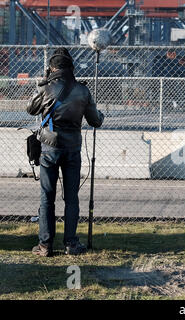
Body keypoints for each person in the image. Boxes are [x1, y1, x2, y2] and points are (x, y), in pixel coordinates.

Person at [26, 48, 104, 257]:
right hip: (72, 149)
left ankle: (45, 245)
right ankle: (71, 244)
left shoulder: (45, 88)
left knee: (46, 197)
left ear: (52, 68)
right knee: (72, 198)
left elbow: (30, 109)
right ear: (71, 67)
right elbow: (95, 120)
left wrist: (43, 83)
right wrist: (101, 114)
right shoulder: (82, 90)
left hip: (50, 148)